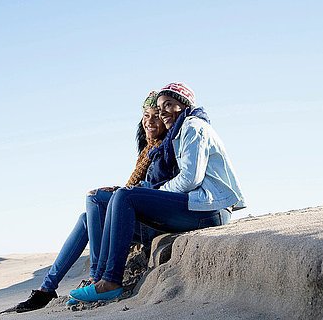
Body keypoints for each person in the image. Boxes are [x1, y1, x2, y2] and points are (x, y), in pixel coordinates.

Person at [69, 82, 246, 303]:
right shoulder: (178, 133)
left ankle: (111, 281)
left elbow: (191, 179)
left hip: (210, 208)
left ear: (184, 105)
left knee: (125, 196)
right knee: (110, 199)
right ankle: (98, 280)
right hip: (196, 205)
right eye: (160, 107)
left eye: (169, 105)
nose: (163, 112)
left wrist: (156, 192)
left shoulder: (194, 126)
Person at [1, 91, 167, 313]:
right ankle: (46, 289)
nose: (149, 121)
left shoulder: (165, 147)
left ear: (166, 118)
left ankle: (97, 278)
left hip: (155, 219)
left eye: (156, 116)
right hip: (139, 213)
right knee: (86, 217)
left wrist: (124, 191)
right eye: (146, 115)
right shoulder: (147, 150)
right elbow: (142, 188)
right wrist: (123, 190)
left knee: (95, 200)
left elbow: (161, 188)